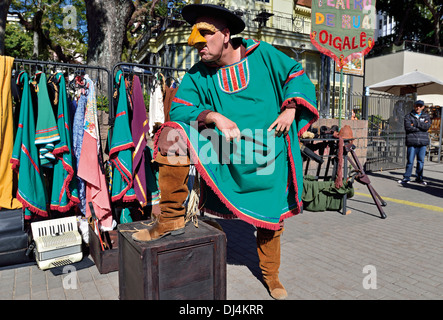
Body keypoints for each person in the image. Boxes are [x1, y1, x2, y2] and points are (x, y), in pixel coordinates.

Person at [131, 4, 318, 300]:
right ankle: (169, 218)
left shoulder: (263, 54)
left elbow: (295, 74)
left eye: (205, 35)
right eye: (195, 38)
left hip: (265, 150)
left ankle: (271, 275)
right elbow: (179, 109)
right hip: (224, 151)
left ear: (226, 34)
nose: (197, 43)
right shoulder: (196, 75)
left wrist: (292, 108)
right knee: (171, 134)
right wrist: (212, 117)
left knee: (270, 220)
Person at [398, 100, 431, 185]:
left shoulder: (426, 116)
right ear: (414, 106)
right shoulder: (408, 116)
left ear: (423, 107)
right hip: (412, 142)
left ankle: (419, 178)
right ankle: (406, 178)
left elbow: (427, 127)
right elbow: (408, 128)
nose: (418, 108)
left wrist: (415, 124)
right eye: (417, 106)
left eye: (420, 106)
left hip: (422, 142)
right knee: (410, 161)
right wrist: (421, 124)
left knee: (420, 161)